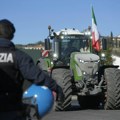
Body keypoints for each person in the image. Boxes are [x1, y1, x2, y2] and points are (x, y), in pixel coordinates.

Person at [0, 19, 63, 120]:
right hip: (11, 110)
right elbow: (37, 76)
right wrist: (56, 87)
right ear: (11, 35)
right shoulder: (19, 56)